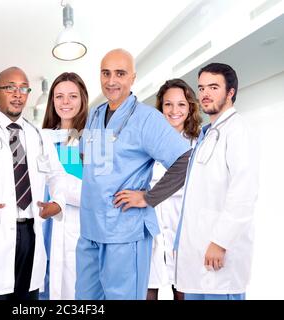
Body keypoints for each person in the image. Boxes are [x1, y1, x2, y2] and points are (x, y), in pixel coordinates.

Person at [76, 48, 191, 300]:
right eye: (105, 73)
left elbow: (185, 160)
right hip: (90, 229)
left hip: (124, 231)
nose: (111, 80)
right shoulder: (95, 114)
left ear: (133, 78)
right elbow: (91, 163)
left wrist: (148, 197)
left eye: (120, 73)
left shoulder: (146, 118)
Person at [174, 63, 259, 300]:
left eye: (213, 87)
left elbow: (243, 193)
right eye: (201, 88)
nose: (205, 94)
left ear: (230, 92)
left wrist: (221, 242)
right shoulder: (208, 133)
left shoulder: (238, 131)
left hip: (220, 257)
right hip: (197, 256)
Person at [0, 67, 67, 300]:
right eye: (10, 87)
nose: (17, 94)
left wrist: (58, 202)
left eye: (23, 88)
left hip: (31, 229)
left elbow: (57, 174)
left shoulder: (38, 135)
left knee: (28, 299)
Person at [147, 79, 202, 300]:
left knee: (183, 294)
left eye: (181, 104)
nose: (174, 111)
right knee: (147, 292)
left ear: (190, 108)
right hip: (152, 232)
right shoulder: (148, 144)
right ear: (161, 109)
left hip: (185, 232)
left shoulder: (198, 144)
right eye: (168, 105)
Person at [41, 72, 89, 300]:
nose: (65, 102)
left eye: (72, 96)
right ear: (52, 101)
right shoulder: (40, 138)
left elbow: (99, 192)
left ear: (83, 100)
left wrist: (59, 187)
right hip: (44, 228)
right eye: (59, 96)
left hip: (78, 228)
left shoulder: (94, 139)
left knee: (74, 290)